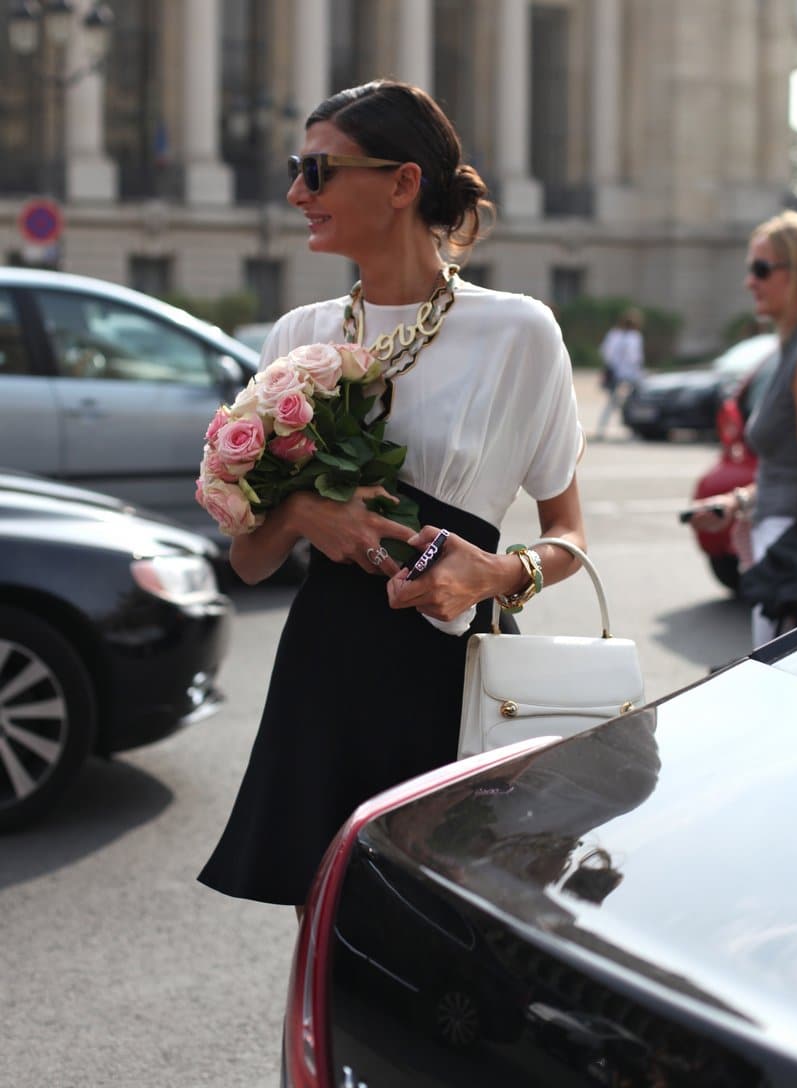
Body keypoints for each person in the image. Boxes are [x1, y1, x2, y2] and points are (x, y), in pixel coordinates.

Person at [198, 79, 587, 914]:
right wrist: (302, 512)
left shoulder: (520, 332)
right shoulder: (297, 336)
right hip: (326, 670)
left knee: (460, 935)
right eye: (298, 171)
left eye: (318, 170)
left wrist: (490, 576)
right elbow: (251, 561)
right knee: (334, 930)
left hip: (457, 667)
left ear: (404, 183)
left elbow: (569, 534)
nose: (298, 191)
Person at [689, 210, 797, 647]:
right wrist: (740, 500)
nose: (750, 282)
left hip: (788, 559)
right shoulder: (788, 351)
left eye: (761, 269)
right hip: (777, 545)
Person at [595, 308, 645, 439]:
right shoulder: (634, 337)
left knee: (612, 403)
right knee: (635, 402)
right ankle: (634, 431)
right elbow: (634, 357)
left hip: (615, 373)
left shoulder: (614, 335)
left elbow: (605, 352)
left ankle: (601, 429)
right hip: (630, 374)